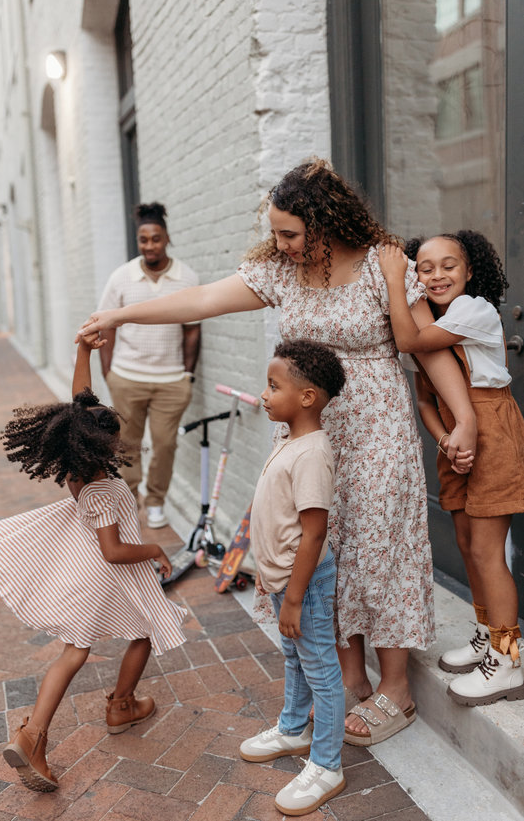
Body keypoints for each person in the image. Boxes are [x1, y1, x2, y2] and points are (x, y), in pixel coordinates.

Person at [77, 158, 478, 745]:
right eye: (276, 231)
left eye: (290, 232)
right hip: (309, 435)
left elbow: (429, 350)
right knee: (320, 549)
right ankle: (349, 679)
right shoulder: (282, 272)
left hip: (376, 432)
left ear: (324, 223)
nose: (280, 242)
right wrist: (119, 313)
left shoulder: (379, 267)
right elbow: (201, 300)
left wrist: (463, 418)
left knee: (382, 548)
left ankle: (396, 687)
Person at [0, 331, 187, 793]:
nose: (119, 437)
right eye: (113, 434)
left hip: (91, 570)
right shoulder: (105, 489)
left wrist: (84, 352)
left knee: (77, 652)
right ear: (100, 445)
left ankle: (45, 731)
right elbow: (113, 551)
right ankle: (107, 710)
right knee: (142, 630)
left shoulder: (77, 467)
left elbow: (78, 404)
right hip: (106, 573)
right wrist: (155, 549)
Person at [379, 231, 524, 706]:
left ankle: (508, 660)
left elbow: (407, 338)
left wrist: (394, 279)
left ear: (469, 271)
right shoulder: (441, 321)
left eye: (448, 266)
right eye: (425, 267)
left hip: (493, 431)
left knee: (487, 551)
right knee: (464, 542)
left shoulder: (473, 312)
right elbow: (425, 396)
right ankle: (486, 632)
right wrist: (445, 439)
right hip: (453, 437)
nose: (437, 275)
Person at [239, 339, 346, 815]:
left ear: (307, 397)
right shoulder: (290, 441)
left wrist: (295, 598)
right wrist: (269, 576)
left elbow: (314, 532)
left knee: (322, 671)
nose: (264, 394)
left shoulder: (311, 453)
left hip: (306, 586)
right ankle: (292, 729)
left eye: (273, 385)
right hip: (285, 581)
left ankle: (327, 764)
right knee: (295, 658)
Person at [98, 201, 201, 528]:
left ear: (166, 237)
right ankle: (130, 501)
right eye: (143, 240)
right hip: (127, 378)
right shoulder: (121, 277)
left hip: (171, 381)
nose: (150, 245)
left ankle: (156, 500)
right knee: (127, 444)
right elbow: (106, 326)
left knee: (165, 444)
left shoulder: (186, 277)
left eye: (156, 238)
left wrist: (187, 374)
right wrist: (109, 373)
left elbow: (193, 329)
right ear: (138, 241)